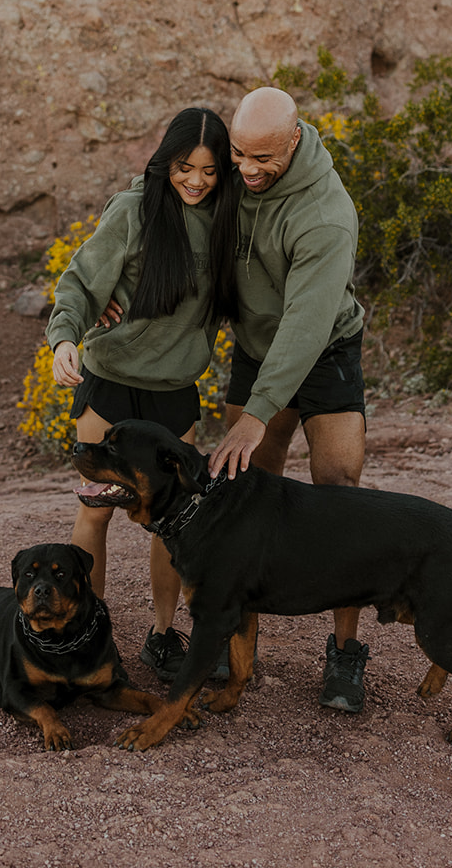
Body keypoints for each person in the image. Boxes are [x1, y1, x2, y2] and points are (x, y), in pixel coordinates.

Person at [47, 106, 239, 683]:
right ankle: (89, 636)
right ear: (165, 162)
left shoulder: (230, 219)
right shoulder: (133, 211)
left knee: (172, 525)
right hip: (108, 388)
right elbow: (81, 282)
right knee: (95, 510)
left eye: (208, 170)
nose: (196, 181)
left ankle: (162, 635)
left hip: (174, 394)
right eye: (185, 167)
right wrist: (63, 339)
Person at [208, 85, 369, 713]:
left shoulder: (326, 214)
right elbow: (165, 206)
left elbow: (305, 325)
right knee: (241, 492)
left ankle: (345, 653)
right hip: (255, 350)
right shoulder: (233, 170)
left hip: (326, 351)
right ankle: (236, 635)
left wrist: (256, 414)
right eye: (239, 154)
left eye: (263, 159)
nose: (247, 169)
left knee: (338, 490)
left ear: (296, 140)